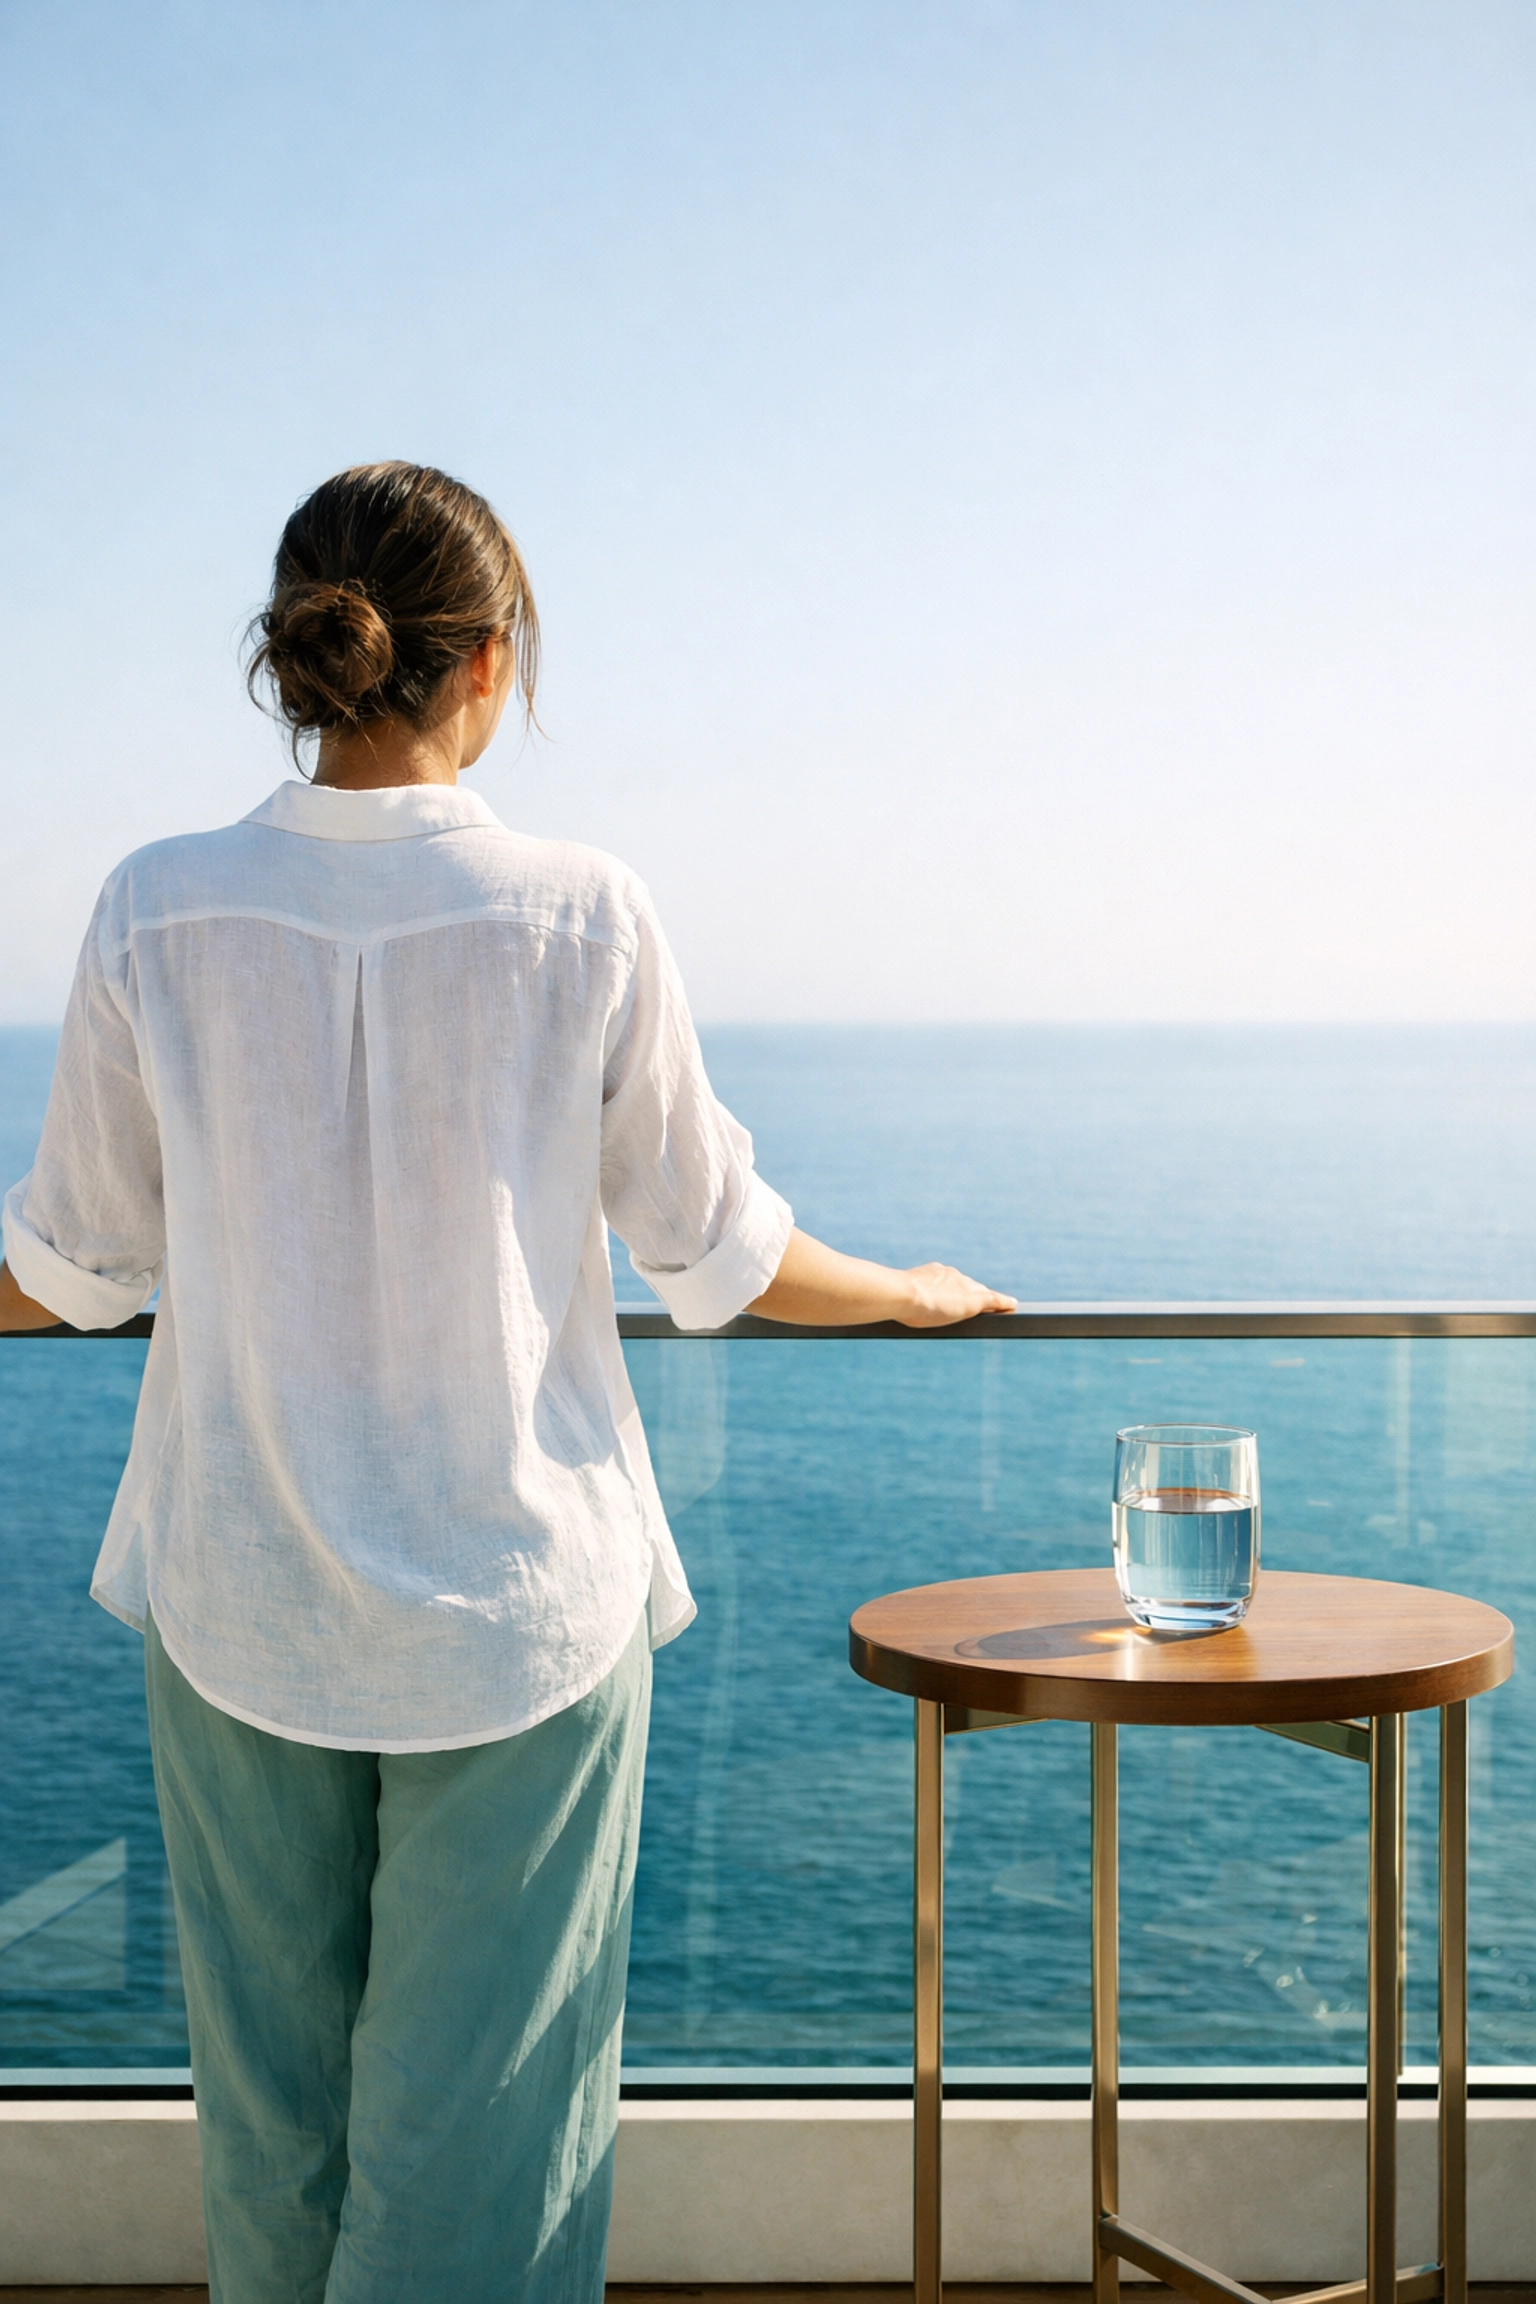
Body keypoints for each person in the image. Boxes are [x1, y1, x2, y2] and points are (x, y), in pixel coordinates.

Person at [0, 462, 1014, 2304]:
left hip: (240, 1595)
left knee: (277, 2129)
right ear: (489, 665)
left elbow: (65, 1272)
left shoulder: (158, 910)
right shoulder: (580, 912)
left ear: (300, 663)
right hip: (524, 1619)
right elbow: (724, 1252)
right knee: (484, 2150)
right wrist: (912, 1291)